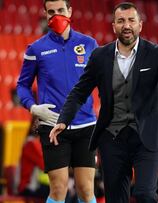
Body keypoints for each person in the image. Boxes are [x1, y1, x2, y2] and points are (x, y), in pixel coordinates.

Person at [48, 2, 158, 203]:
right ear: (113, 26)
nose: (126, 25)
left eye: (131, 20)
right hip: (112, 138)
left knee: (145, 194)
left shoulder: (157, 54)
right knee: (115, 199)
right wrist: (64, 120)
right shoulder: (100, 56)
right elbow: (79, 92)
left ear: (140, 25)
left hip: (147, 136)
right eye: (121, 21)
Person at [16, 0, 98, 203]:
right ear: (45, 14)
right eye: (51, 11)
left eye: (61, 10)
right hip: (52, 126)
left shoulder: (89, 44)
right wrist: (34, 107)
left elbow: (104, 80)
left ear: (70, 11)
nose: (56, 15)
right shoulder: (36, 49)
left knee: (86, 190)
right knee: (59, 187)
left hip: (86, 124)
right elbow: (22, 86)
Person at [17, 117, 49, 200]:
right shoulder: (31, 143)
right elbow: (45, 165)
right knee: (61, 190)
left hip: (39, 185)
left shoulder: (40, 142)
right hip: (29, 187)